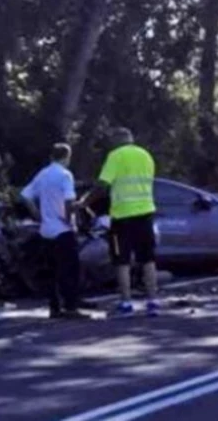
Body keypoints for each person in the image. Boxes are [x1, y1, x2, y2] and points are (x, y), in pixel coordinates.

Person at [80, 127, 159, 317]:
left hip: (122, 216)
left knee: (121, 261)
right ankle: (152, 301)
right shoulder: (146, 155)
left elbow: (102, 185)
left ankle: (126, 303)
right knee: (148, 259)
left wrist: (84, 202)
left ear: (117, 140)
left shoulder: (115, 156)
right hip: (146, 213)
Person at [20, 143, 89, 320]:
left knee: (51, 270)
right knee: (70, 269)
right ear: (67, 157)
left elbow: (25, 195)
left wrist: (36, 213)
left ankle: (54, 307)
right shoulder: (65, 175)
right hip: (62, 229)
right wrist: (68, 219)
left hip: (46, 229)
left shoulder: (43, 174)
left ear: (52, 156)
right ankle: (71, 306)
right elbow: (68, 200)